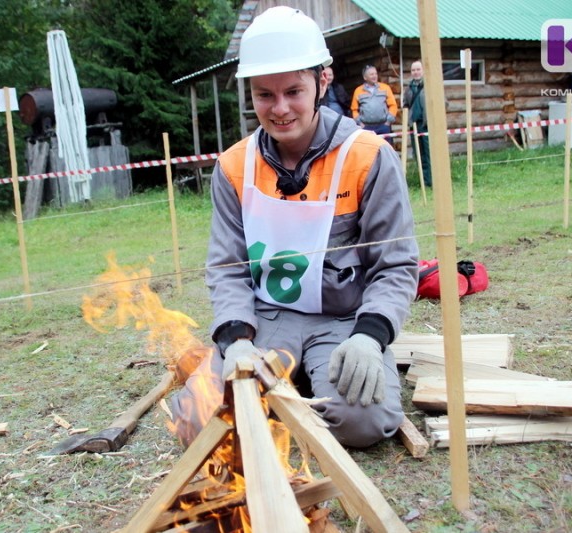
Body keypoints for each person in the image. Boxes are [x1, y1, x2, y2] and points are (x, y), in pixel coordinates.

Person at [169, 6, 418, 449]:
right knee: (197, 421)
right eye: (264, 94)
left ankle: (313, 379)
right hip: (266, 319)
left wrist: (370, 335)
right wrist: (236, 339)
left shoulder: (369, 157)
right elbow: (227, 267)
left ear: (322, 82)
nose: (280, 109)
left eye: (293, 91)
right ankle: (284, 381)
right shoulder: (233, 167)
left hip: (343, 320)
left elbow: (395, 264)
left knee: (362, 422)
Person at [350, 64, 398, 145]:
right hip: (366, 127)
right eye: (371, 74)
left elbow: (393, 105)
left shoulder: (385, 88)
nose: (374, 76)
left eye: (375, 73)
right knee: (369, 150)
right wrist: (360, 124)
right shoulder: (358, 91)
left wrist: (388, 122)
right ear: (365, 77)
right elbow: (354, 109)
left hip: (384, 125)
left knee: (385, 150)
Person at [403, 60, 433, 187]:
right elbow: (405, 105)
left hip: (428, 125)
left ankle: (433, 180)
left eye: (418, 69)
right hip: (415, 125)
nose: (416, 72)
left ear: (423, 71)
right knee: (419, 154)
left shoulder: (430, 86)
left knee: (429, 153)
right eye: (413, 70)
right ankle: (425, 181)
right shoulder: (408, 89)